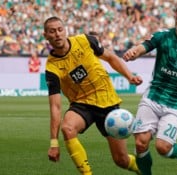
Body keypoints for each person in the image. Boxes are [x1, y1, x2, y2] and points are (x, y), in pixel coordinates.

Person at [43, 16, 143, 175]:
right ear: (46, 36)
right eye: (52, 31)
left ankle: (143, 170)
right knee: (68, 128)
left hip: (107, 101)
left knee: (121, 160)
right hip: (82, 104)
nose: (57, 34)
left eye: (60, 30)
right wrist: (54, 143)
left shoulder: (85, 41)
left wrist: (129, 76)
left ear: (65, 30)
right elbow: (55, 107)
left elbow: (110, 57)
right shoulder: (51, 68)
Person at [122, 1, 177, 175]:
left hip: (176, 103)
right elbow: (144, 46)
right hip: (153, 97)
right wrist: (134, 52)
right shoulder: (164, 36)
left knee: (163, 148)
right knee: (140, 143)